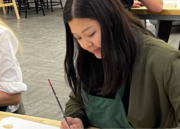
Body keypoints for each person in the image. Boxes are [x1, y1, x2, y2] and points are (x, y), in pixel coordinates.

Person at [61, 0, 180, 128]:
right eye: (78, 37)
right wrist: (78, 118)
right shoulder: (91, 57)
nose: (85, 45)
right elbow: (77, 100)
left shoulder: (164, 61)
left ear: (112, 20)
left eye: (91, 34)